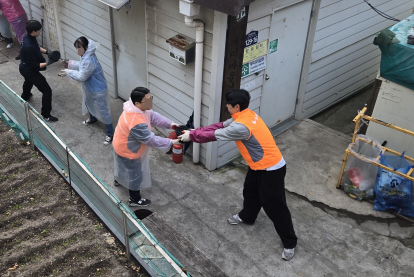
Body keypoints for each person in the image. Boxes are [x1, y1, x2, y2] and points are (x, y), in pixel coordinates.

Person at [178, 89, 298, 261]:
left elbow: (215, 135)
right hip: (257, 165)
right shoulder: (245, 114)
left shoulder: (242, 127)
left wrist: (192, 137)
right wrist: (195, 131)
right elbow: (219, 126)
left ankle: (290, 242)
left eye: (228, 104)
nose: (226, 106)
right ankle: (247, 217)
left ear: (236, 106)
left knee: (274, 205)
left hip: (271, 168)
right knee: (250, 191)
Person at [113, 87, 181, 207]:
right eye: (148, 100)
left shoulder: (135, 108)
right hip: (128, 151)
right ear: (137, 103)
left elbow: (153, 117)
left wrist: (172, 125)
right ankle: (134, 199)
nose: (151, 102)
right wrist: (172, 142)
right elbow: (151, 140)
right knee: (135, 174)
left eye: (151, 98)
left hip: (120, 143)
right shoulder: (135, 121)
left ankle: (119, 180)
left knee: (122, 167)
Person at [58, 37, 114, 145]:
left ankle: (110, 133)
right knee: (89, 103)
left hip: (98, 89)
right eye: (76, 48)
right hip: (90, 87)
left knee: (103, 110)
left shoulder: (88, 60)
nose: (77, 50)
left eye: (79, 48)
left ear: (86, 47)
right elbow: (82, 66)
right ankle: (93, 118)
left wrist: (68, 71)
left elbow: (81, 76)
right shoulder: (86, 55)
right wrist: (70, 64)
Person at [19, 20, 57, 122]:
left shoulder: (27, 37)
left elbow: (36, 47)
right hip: (29, 70)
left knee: (28, 81)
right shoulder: (28, 47)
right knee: (46, 90)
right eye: (38, 30)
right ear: (33, 31)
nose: (40, 31)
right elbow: (35, 66)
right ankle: (46, 115)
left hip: (23, 67)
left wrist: (47, 52)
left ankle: (25, 96)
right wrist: (49, 62)